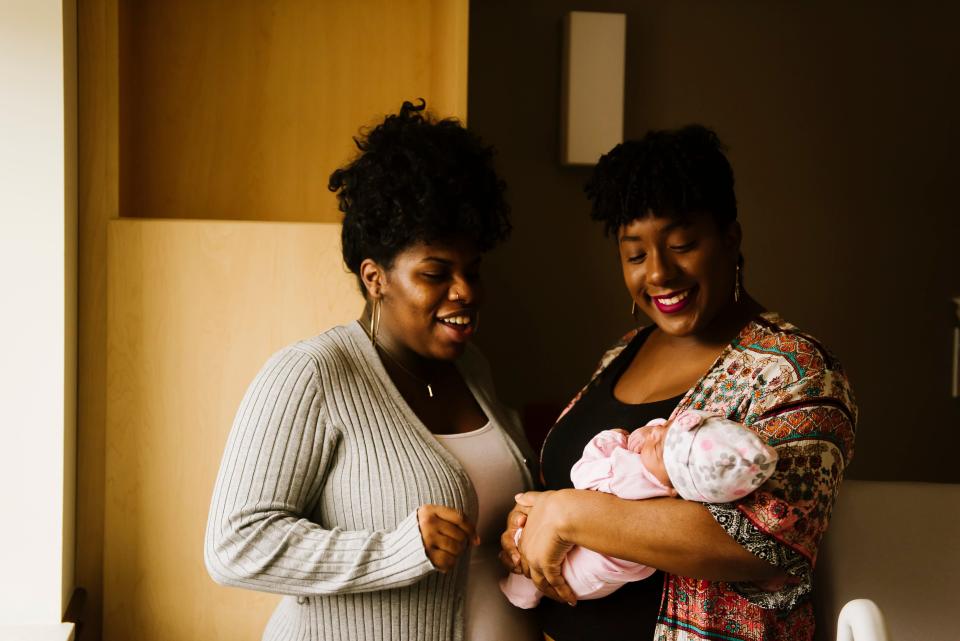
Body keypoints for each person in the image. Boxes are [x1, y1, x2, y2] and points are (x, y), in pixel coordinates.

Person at [500, 125, 857, 641]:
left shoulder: (796, 370)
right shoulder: (621, 354)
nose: (660, 273)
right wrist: (527, 526)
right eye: (635, 254)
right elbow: (568, 482)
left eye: (682, 244)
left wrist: (573, 514)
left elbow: (767, 540)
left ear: (730, 239)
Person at [205, 100, 540, 641]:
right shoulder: (312, 374)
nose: (466, 292)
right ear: (374, 277)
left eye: (472, 270)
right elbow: (234, 545)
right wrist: (396, 550)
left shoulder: (473, 368)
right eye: (436, 273)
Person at [500, 409, 778, 608]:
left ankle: (519, 593)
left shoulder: (631, 473)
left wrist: (613, 439)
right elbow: (666, 435)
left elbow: (582, 475)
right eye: (666, 428)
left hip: (578, 572)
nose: (656, 432)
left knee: (529, 563)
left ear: (673, 486)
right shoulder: (677, 475)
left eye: (659, 444)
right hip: (597, 577)